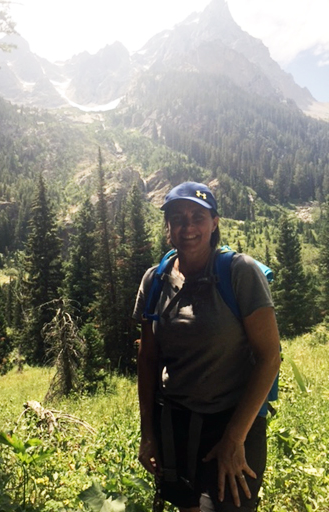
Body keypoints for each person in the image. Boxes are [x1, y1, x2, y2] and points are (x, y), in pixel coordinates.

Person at [133, 182, 280, 512]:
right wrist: (148, 432)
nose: (187, 227)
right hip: (174, 424)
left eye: (197, 216)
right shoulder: (154, 280)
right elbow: (148, 358)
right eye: (177, 217)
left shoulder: (239, 272)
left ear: (214, 223)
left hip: (232, 422)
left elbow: (270, 357)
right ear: (168, 226)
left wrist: (234, 438)